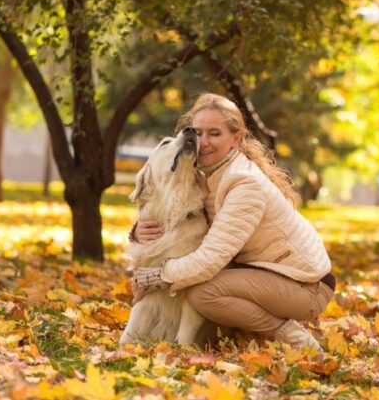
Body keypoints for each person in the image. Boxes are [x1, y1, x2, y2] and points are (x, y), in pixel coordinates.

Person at [129, 93, 335, 351]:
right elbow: (178, 214)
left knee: (203, 294)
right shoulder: (208, 174)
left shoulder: (243, 183)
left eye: (214, 133)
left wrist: (156, 275)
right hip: (268, 273)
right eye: (199, 132)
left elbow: (208, 261)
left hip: (306, 285)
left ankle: (295, 338)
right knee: (204, 291)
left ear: (235, 139)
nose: (203, 142)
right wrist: (139, 232)